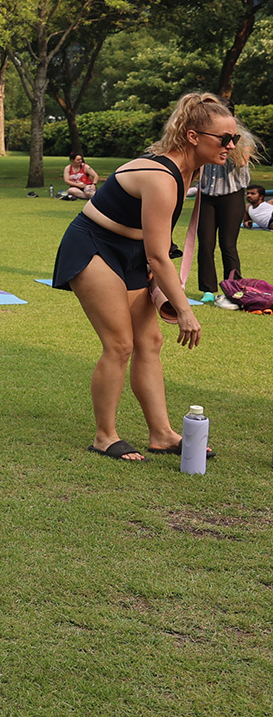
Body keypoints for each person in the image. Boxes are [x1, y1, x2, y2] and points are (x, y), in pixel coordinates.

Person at [49, 91, 238, 462]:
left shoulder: (190, 171)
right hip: (94, 244)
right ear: (193, 136)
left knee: (149, 342)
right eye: (224, 138)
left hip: (132, 252)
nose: (231, 146)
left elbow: (155, 247)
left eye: (234, 138)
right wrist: (184, 309)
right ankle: (105, 436)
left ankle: (162, 434)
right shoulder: (160, 176)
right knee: (120, 344)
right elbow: (158, 253)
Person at [194, 129, 253, 308]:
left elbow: (242, 161)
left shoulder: (243, 140)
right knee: (205, 243)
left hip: (232, 195)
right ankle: (207, 290)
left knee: (227, 244)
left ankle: (234, 288)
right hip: (206, 194)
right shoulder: (206, 137)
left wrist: (227, 142)